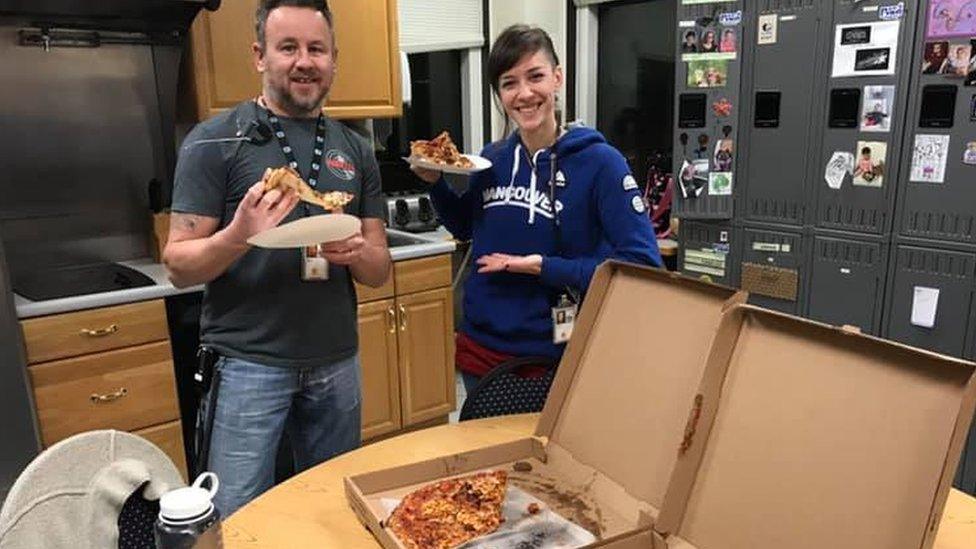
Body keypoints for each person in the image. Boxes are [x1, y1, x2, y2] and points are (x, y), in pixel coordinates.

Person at [163, 0, 390, 516]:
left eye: (317, 48)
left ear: (334, 59)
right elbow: (178, 265)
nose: (304, 61)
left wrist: (356, 253)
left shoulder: (355, 150)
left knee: (333, 506)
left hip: (336, 361)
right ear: (260, 56)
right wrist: (238, 234)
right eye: (288, 47)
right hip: (248, 365)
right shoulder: (214, 141)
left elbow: (379, 270)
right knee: (239, 513)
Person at [411, 25, 661, 393]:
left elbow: (641, 265)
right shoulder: (490, 159)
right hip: (481, 352)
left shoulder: (601, 164)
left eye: (535, 76)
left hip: (557, 356)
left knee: (547, 452)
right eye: (509, 83)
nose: (524, 93)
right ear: (499, 93)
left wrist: (544, 267)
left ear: (557, 78)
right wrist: (437, 185)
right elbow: (465, 227)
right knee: (489, 450)